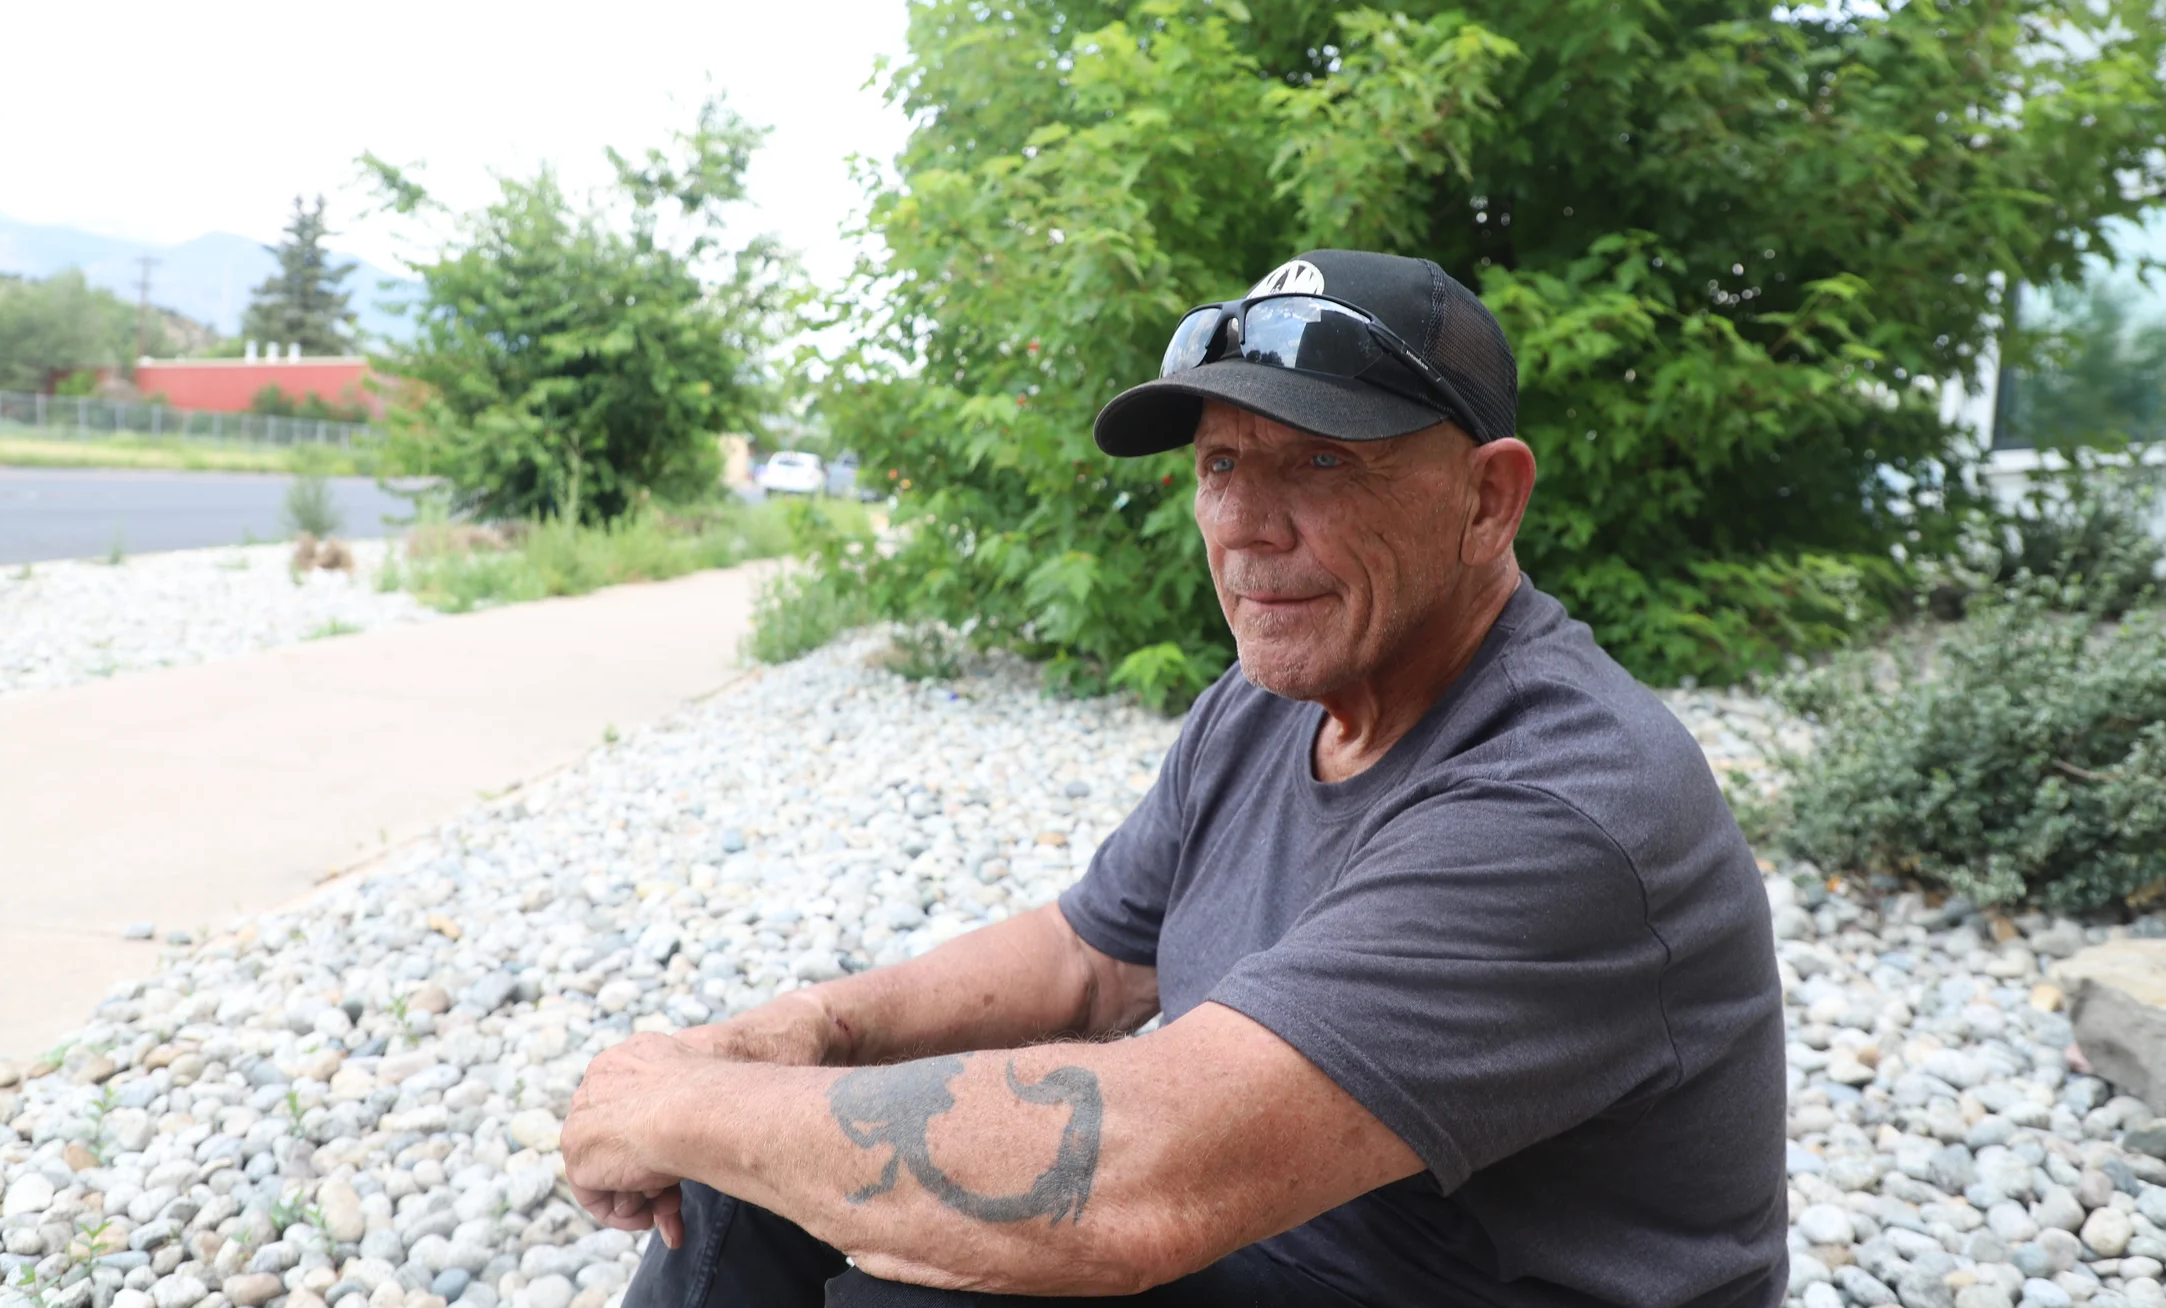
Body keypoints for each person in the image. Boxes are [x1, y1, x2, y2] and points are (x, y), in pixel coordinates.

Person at [563, 249, 1787, 1307]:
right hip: (1296, 1261)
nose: (1246, 525)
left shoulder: (1565, 804)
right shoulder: (1269, 703)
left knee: (928, 1259)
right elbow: (1088, 961)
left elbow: (1130, 1182)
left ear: (1487, 500)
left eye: (1319, 465)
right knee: (774, 1181)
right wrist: (795, 1035)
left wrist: (673, 1107)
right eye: (1218, 467)